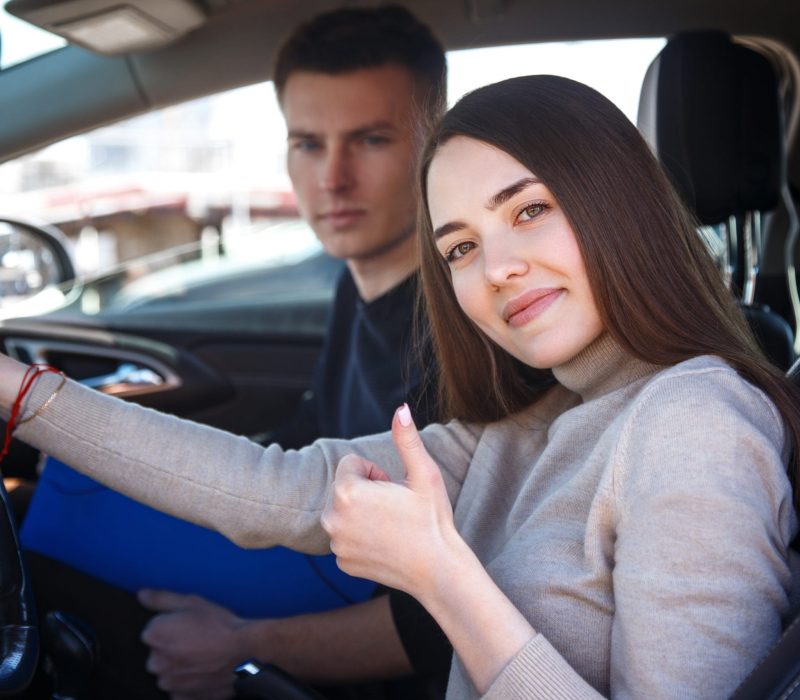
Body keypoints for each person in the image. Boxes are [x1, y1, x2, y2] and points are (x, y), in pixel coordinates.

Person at [3, 74, 799, 698]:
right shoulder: (527, 429)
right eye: (458, 248)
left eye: (529, 211)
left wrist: (441, 577)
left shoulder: (694, 421)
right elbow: (274, 487)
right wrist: (22, 398)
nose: (496, 268)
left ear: (616, 204)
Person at [17, 6, 452, 699]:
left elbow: (444, 616)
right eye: (308, 143)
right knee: (73, 482)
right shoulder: (360, 289)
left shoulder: (458, 333)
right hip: (317, 572)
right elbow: (301, 442)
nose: (332, 178)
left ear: (435, 143)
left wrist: (245, 643)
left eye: (370, 139)